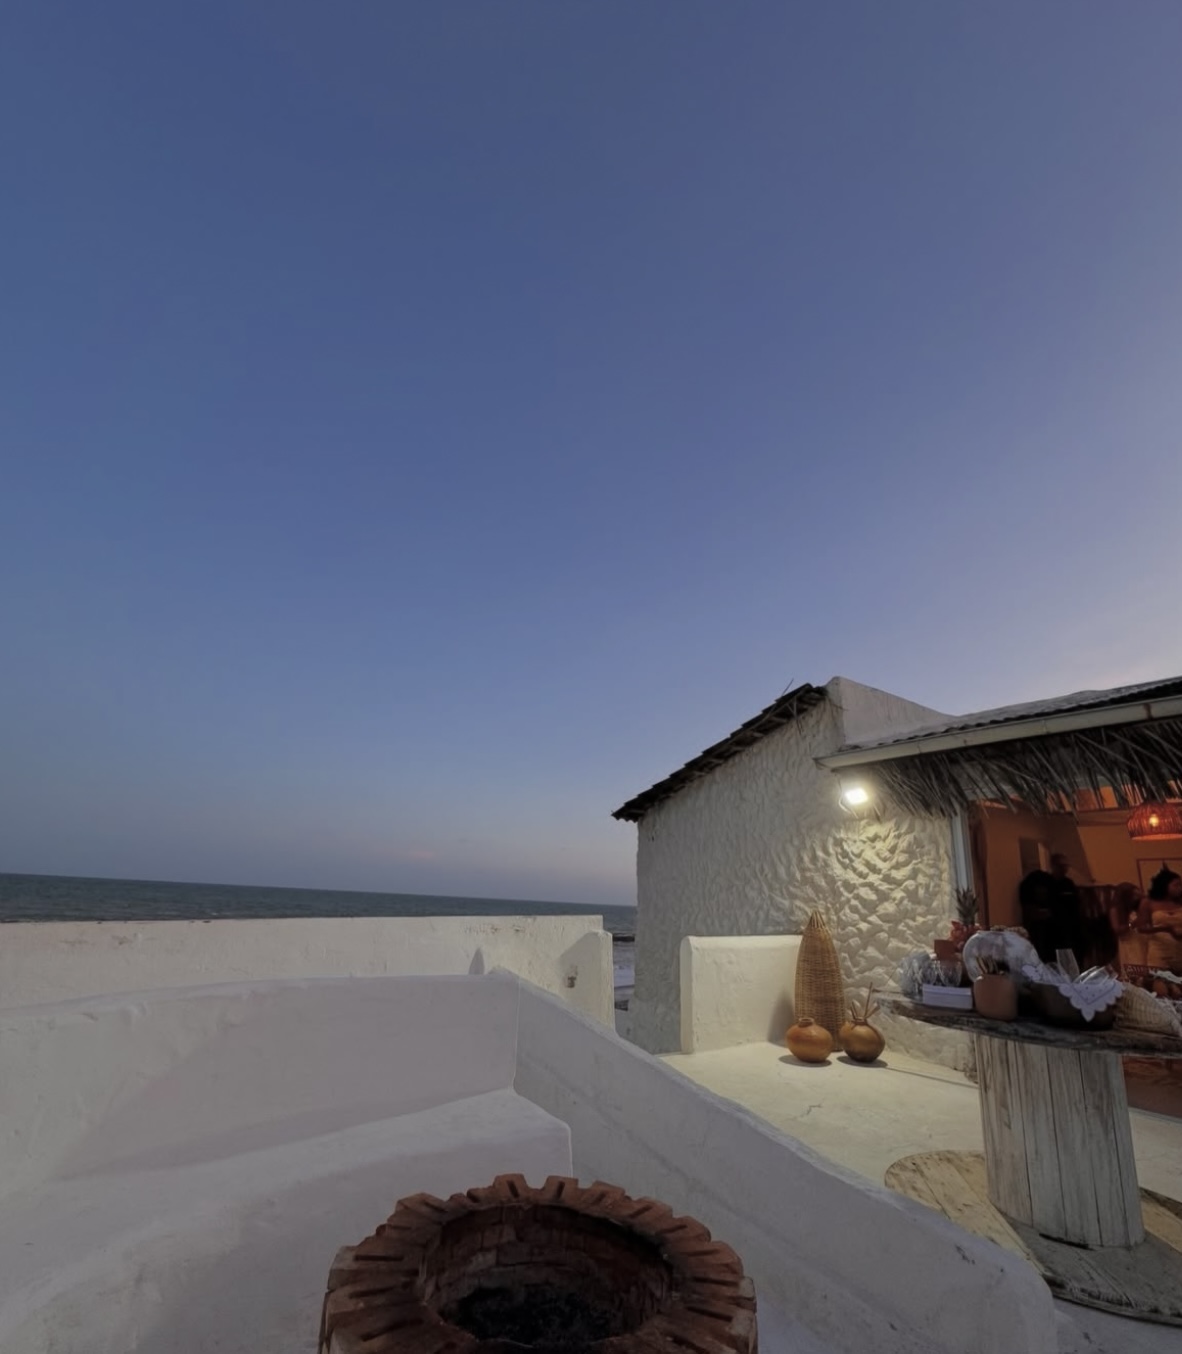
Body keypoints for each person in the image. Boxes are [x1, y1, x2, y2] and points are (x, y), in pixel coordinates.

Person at [1145, 866, 1182, 974]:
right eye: (1176, 885)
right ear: (1164, 885)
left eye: (1181, 885)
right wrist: (1166, 929)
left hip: (1179, 948)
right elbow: (1141, 928)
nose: (1180, 888)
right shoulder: (1149, 903)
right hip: (1159, 949)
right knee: (1161, 981)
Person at [1109, 882, 1147, 975]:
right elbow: (1117, 929)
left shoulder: (1136, 907)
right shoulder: (1115, 910)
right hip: (1129, 943)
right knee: (1136, 970)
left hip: (1141, 940)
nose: (1136, 898)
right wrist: (1132, 925)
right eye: (1134, 895)